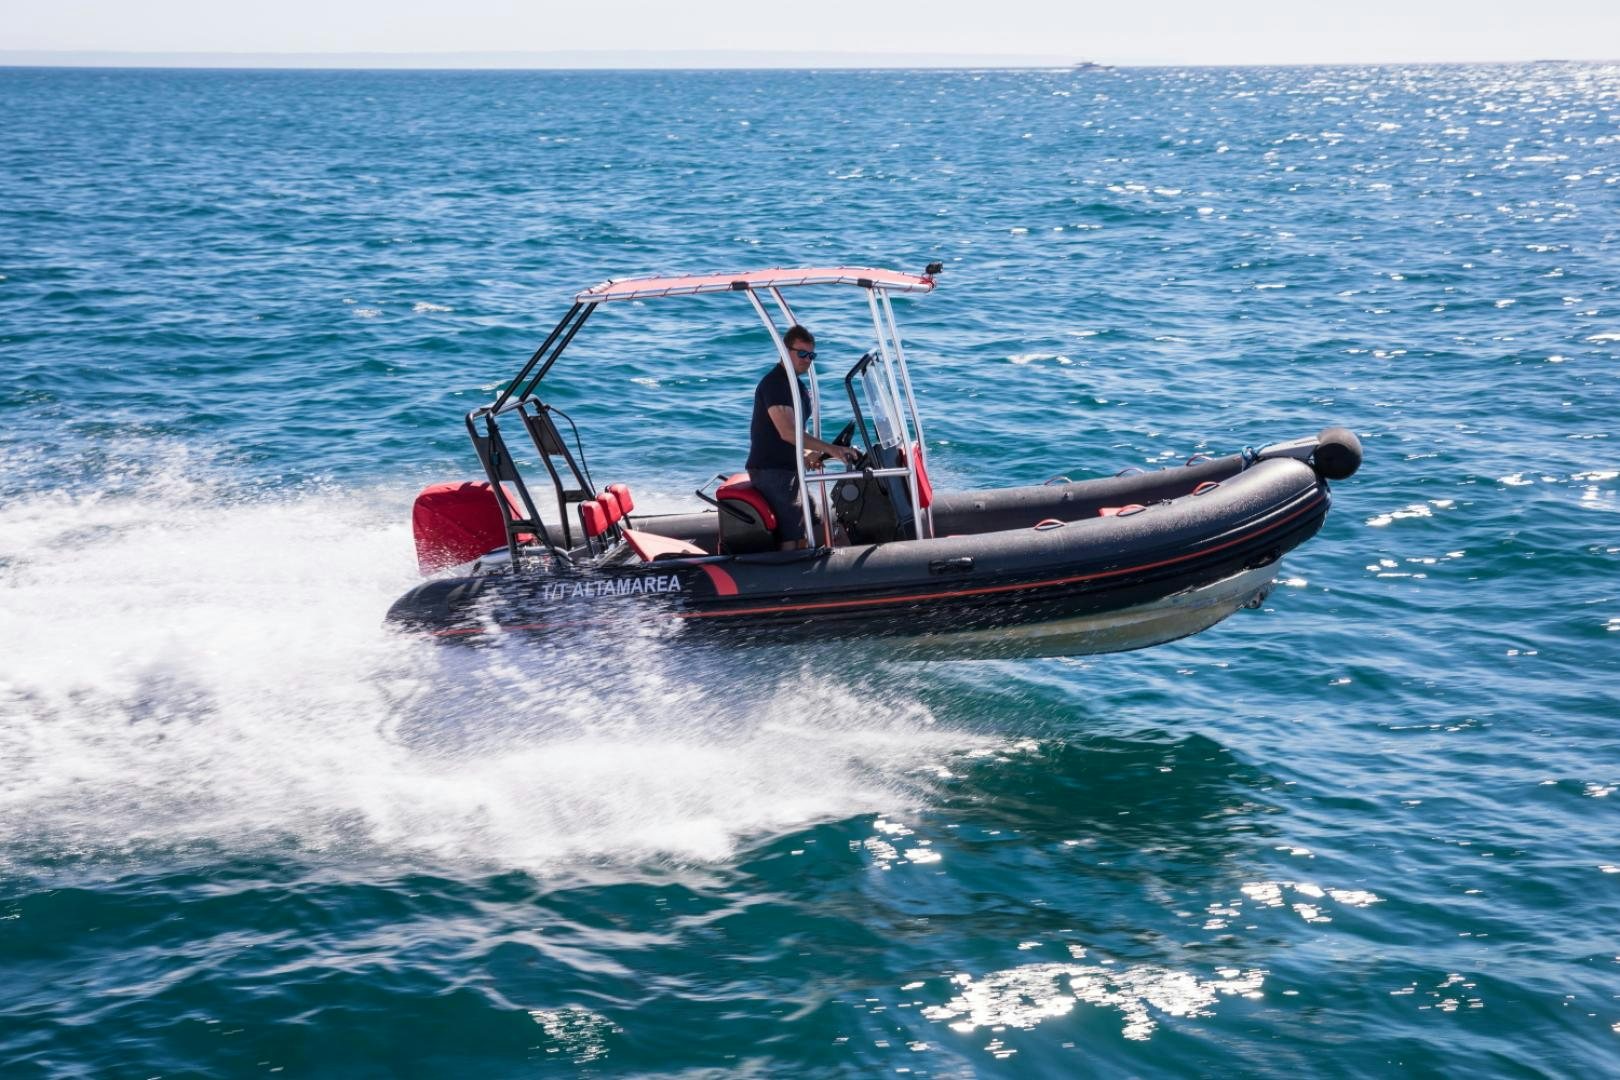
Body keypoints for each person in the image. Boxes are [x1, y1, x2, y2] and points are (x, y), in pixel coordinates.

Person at [746, 325, 859, 549]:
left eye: (811, 355)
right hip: (772, 471)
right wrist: (832, 449)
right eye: (802, 354)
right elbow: (787, 432)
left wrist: (810, 454)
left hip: (788, 470)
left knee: (811, 520)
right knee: (793, 532)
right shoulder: (775, 383)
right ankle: (788, 578)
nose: (807, 360)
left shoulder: (796, 385)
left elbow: (792, 436)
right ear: (785, 351)